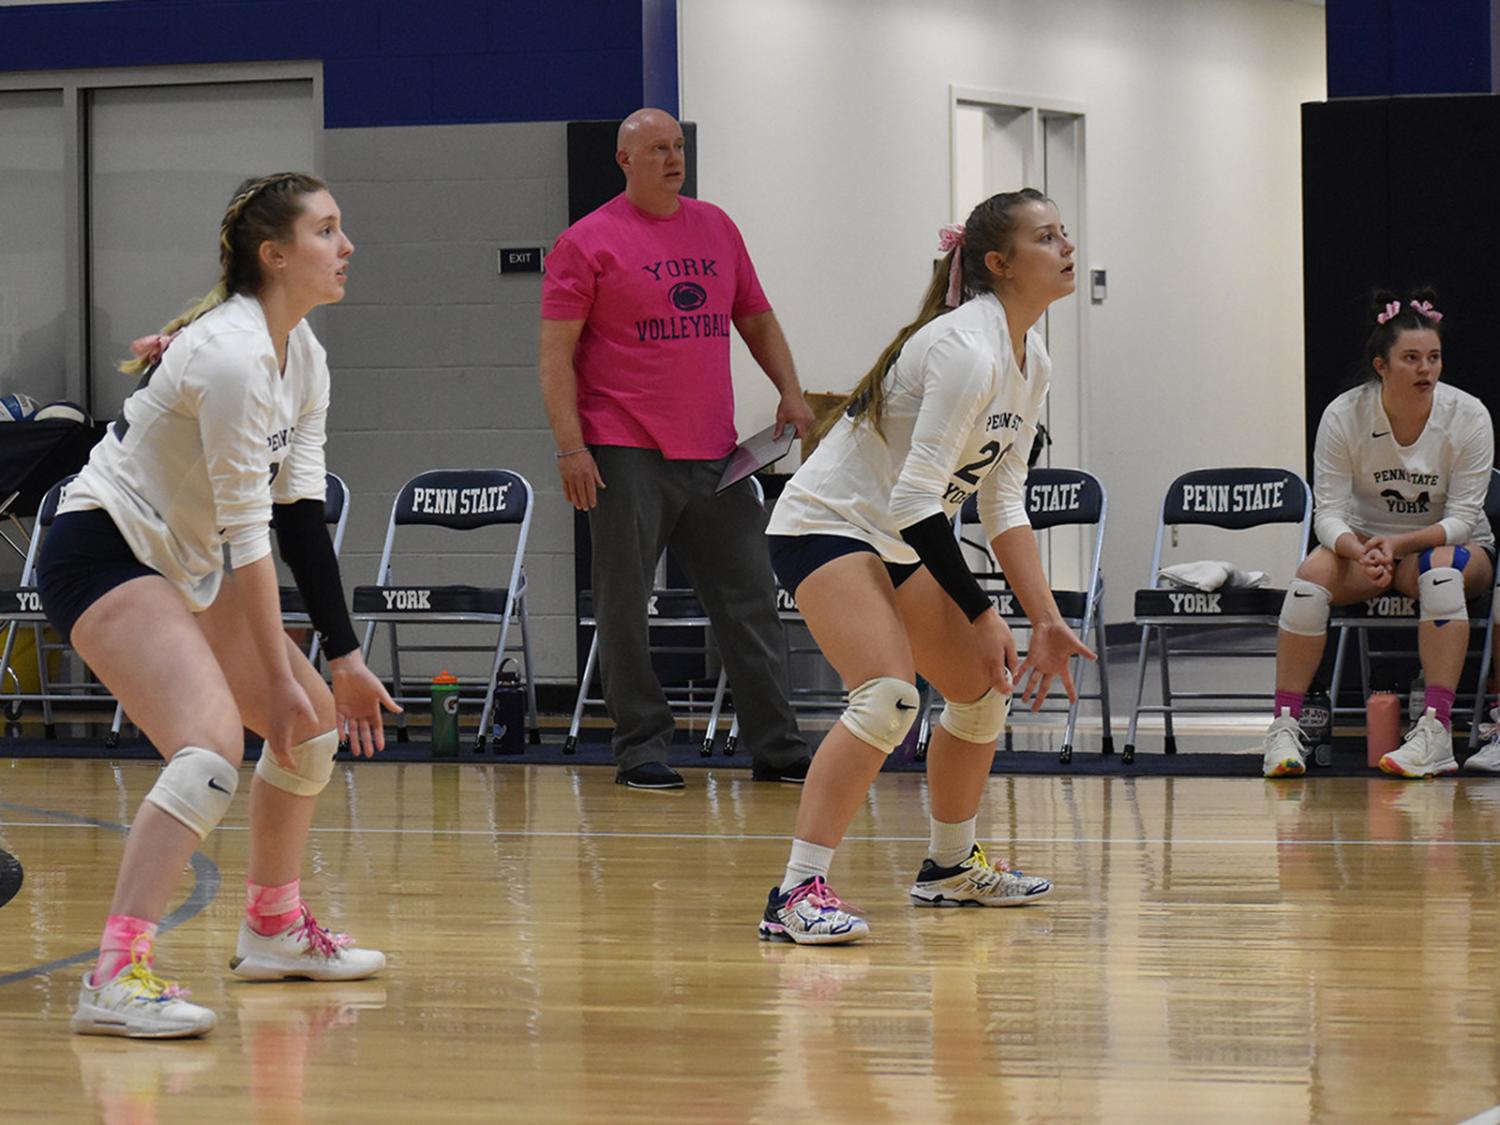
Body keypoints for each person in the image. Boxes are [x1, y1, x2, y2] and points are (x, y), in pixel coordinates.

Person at [40, 172, 399, 1039]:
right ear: (275, 256)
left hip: (185, 564)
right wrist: (274, 677)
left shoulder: (301, 353)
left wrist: (343, 662)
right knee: (209, 747)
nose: (346, 246)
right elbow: (249, 540)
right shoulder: (233, 355)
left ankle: (273, 927)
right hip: (103, 549)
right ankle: (115, 974)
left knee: (309, 727)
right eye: (328, 230)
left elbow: (299, 516)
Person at [756, 189, 1094, 945]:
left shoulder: (1029, 357)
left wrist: (1044, 618)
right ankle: (794, 891)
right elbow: (918, 502)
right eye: (1047, 237)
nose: (1067, 246)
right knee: (887, 696)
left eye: (1065, 233)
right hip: (827, 525)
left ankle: (949, 868)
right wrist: (984, 610)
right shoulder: (964, 347)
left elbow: (1003, 501)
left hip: (899, 537)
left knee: (981, 691)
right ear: (999, 264)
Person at [539, 108, 813, 790]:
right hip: (624, 446)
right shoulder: (586, 241)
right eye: (657, 148)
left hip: (717, 453)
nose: (672, 157)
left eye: (678, 146)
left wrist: (791, 391)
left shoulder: (716, 226)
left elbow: (756, 316)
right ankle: (641, 747)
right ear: (624, 159)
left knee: (750, 597)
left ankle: (776, 747)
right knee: (625, 603)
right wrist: (572, 448)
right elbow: (554, 357)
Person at [1261, 290, 1495, 779]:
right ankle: (1284, 727)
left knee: (1441, 575)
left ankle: (1435, 731)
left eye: (1433, 358)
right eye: (1410, 358)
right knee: (1308, 580)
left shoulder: (1468, 416)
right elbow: (1328, 512)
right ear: (1381, 366)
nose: (1425, 369)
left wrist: (1401, 545)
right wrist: (1358, 548)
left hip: (1444, 547)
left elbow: (1464, 519)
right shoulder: (1344, 415)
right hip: (1364, 547)